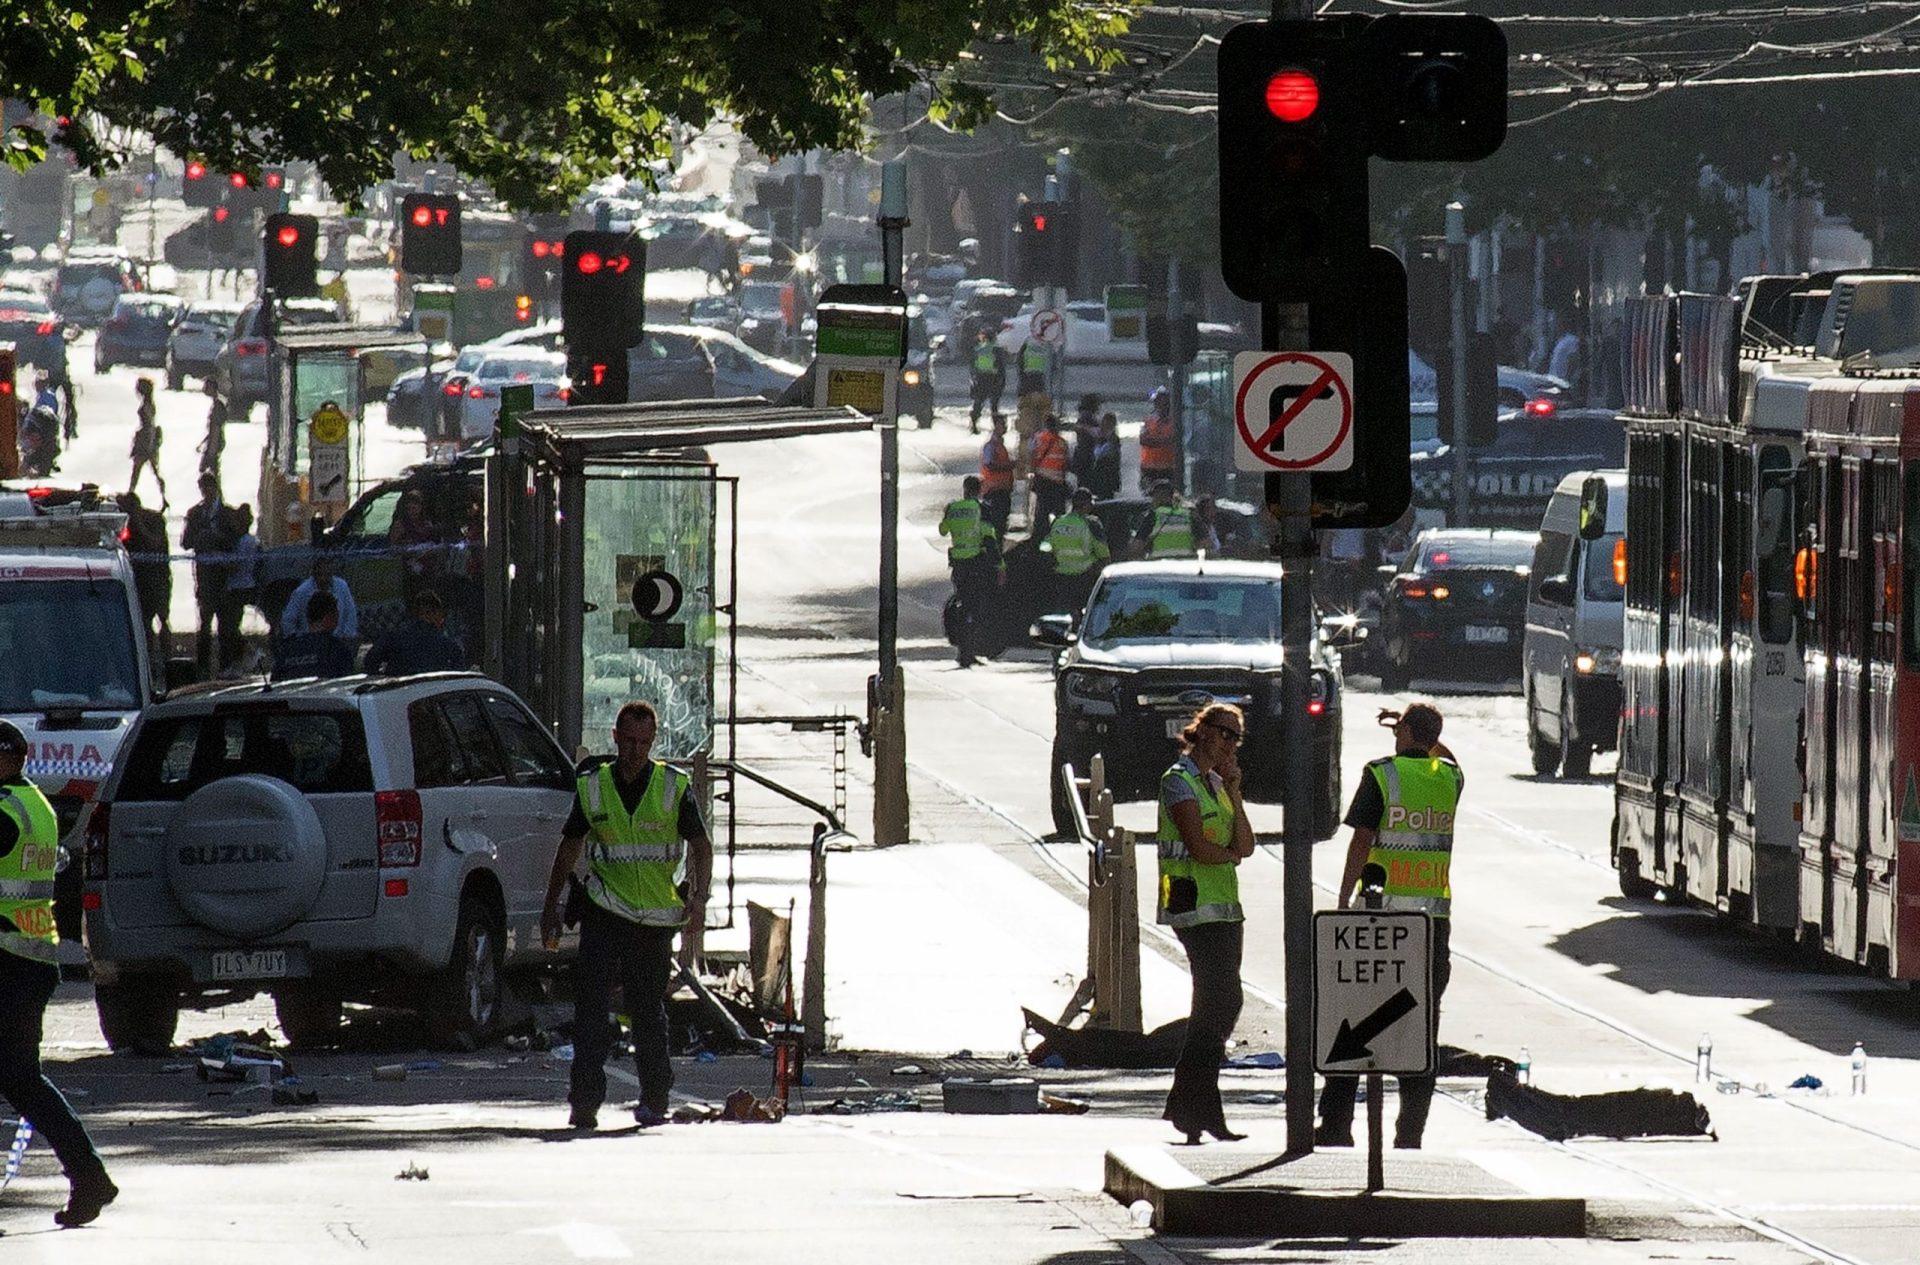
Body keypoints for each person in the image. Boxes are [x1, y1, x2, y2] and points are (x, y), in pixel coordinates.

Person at [539, 701, 713, 1131]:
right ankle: (584, 1104)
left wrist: (698, 901)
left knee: (647, 1012)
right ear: (615, 738)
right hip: (605, 908)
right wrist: (551, 906)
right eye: (629, 741)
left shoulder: (672, 786)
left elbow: (701, 845)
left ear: (653, 742)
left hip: (653, 920)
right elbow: (570, 846)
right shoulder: (594, 786)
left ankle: (655, 1098)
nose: (636, 751)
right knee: (591, 1011)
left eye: (644, 743)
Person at [1315, 702, 1462, 1151]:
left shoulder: (1381, 775)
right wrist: (1420, 729)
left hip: (1379, 921)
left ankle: (1337, 1124)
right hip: (1431, 924)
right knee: (1422, 1031)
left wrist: (1342, 897)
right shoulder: (1450, 778)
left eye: (1400, 729)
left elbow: (1361, 840)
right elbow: (1449, 757)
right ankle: (1410, 1132)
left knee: (1352, 1024)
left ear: (1406, 731)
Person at [0, 720, 118, 1227]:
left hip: (9, 961)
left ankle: (90, 1177)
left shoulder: (5, 809)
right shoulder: (35, 804)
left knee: (22, 1080)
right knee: (23, 1082)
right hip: (30, 960)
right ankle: (90, 1178)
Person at [1157, 702, 1257, 1143]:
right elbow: (1200, 847)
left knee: (1219, 1005)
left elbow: (1247, 845)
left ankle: (1189, 1104)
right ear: (1200, 732)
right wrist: (1229, 854)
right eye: (1223, 733)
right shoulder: (1178, 782)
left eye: (1236, 737)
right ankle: (1198, 1107)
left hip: (1224, 907)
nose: (1229, 744)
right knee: (1219, 1001)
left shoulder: (1217, 785)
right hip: (1192, 904)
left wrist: (1234, 790)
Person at [938, 475, 1001, 669]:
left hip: (959, 566)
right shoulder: (981, 510)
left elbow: (942, 530)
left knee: (962, 605)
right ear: (979, 490)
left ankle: (963, 651)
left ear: (964, 489)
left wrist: (946, 514)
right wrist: (1000, 566)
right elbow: (990, 540)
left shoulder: (953, 509)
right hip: (976, 565)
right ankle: (968, 653)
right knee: (974, 609)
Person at [181, 474, 236, 674]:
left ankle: (226, 666)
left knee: (226, 626)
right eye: (203, 488)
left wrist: (218, 538)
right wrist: (201, 536)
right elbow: (185, 542)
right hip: (204, 578)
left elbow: (234, 542)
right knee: (204, 625)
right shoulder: (195, 513)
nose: (207, 492)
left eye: (209, 487)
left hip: (225, 578)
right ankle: (203, 667)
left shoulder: (227, 514)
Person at [116, 491, 172, 648]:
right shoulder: (125, 523)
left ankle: (166, 654)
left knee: (163, 618)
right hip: (138, 578)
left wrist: (139, 524)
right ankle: (149, 653)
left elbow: (155, 543)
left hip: (157, 577)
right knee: (144, 621)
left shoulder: (154, 519)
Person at [1041, 487, 1110, 615]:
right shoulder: (1092, 523)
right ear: (1086, 505)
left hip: (1062, 579)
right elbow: (1104, 554)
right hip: (1086, 577)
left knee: (1064, 616)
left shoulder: (1058, 522)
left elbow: (1045, 547)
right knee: (1087, 615)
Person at [365, 588, 466, 675]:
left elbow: (370, 661)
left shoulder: (394, 638)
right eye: (441, 616)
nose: (442, 620)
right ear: (432, 614)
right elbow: (458, 675)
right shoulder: (448, 645)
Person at [272, 591, 356, 680]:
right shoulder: (338, 649)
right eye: (336, 615)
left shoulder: (288, 650)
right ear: (329, 617)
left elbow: (275, 681)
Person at [279, 552, 361, 643]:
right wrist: (298, 641)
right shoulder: (302, 591)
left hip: (337, 640)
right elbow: (288, 620)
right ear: (313, 573)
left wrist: (347, 637)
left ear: (332, 573)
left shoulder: (342, 586)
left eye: (327, 574)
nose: (323, 578)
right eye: (319, 574)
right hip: (310, 641)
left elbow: (351, 615)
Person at [222, 504, 259, 671]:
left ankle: (246, 654)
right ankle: (237, 660)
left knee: (230, 627)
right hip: (238, 586)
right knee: (231, 626)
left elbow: (237, 565)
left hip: (241, 587)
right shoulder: (244, 541)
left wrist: (221, 563)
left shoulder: (246, 542)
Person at [388, 489, 443, 602]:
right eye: (409, 507)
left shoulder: (427, 524)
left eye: (416, 506)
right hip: (408, 570)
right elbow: (393, 548)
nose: (412, 510)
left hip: (427, 570)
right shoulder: (400, 526)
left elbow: (435, 546)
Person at [1028, 413, 1071, 538]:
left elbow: (1032, 457)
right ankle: (1060, 537)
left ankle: (1040, 539)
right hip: (1057, 483)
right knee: (1059, 513)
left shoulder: (1037, 438)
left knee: (1042, 513)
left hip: (1042, 481)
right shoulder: (1062, 443)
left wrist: (1033, 474)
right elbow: (1066, 463)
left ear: (1045, 425)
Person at [127, 377, 167, 508]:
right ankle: (163, 497)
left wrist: (149, 443)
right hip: (147, 439)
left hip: (145, 441)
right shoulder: (148, 402)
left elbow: (149, 425)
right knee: (153, 470)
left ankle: (131, 493)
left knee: (138, 469)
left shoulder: (147, 405)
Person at [1135, 479, 1195, 560]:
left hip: (1160, 566)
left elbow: (1137, 547)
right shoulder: (1188, 514)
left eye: (1154, 496)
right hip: (1185, 566)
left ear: (1158, 496)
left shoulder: (1153, 515)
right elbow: (1206, 543)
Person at [978, 415, 1015, 541]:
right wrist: (1009, 465)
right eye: (1002, 424)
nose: (1005, 427)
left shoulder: (999, 446)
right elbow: (989, 465)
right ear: (995, 426)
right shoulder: (991, 446)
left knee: (1001, 527)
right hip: (994, 492)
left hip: (1002, 491)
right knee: (996, 527)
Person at [1139, 387, 1178, 491]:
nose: (1161, 405)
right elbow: (1143, 440)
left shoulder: (1175, 421)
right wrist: (1163, 441)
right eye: (1158, 402)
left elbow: (1174, 439)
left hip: (1168, 467)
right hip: (1149, 467)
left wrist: (1154, 441)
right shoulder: (1148, 420)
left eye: (1164, 402)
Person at [967, 330, 1004, 433]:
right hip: (993, 378)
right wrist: (1001, 382)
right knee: (994, 405)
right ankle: (996, 427)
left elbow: (972, 366)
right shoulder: (996, 349)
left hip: (980, 378)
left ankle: (974, 425)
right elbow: (1001, 367)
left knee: (978, 403)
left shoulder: (978, 349)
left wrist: (973, 379)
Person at [1068, 393, 1101, 489]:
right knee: (1087, 483)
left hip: (1081, 454)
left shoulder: (1083, 418)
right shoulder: (1089, 418)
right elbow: (1095, 434)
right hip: (1087, 455)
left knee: (1082, 482)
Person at [1087, 411, 1122, 501]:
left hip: (1107, 475)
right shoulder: (1103, 438)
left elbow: (1101, 454)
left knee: (1106, 498)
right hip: (1102, 475)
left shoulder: (1112, 439)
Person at [198, 379, 229, 479]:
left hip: (214, 443)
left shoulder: (218, 406)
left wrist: (212, 448)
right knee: (212, 471)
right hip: (213, 442)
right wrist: (203, 442)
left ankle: (215, 493)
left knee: (207, 470)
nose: (204, 389)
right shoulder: (217, 404)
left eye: (207, 387)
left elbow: (216, 428)